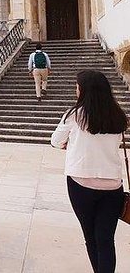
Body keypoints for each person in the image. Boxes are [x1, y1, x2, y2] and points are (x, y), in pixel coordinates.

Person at [51, 70, 127, 273]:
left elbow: (56, 141)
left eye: (77, 86)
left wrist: (72, 143)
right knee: (106, 239)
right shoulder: (117, 115)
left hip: (81, 182)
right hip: (112, 184)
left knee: (90, 237)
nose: (76, 90)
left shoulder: (75, 115)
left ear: (84, 90)